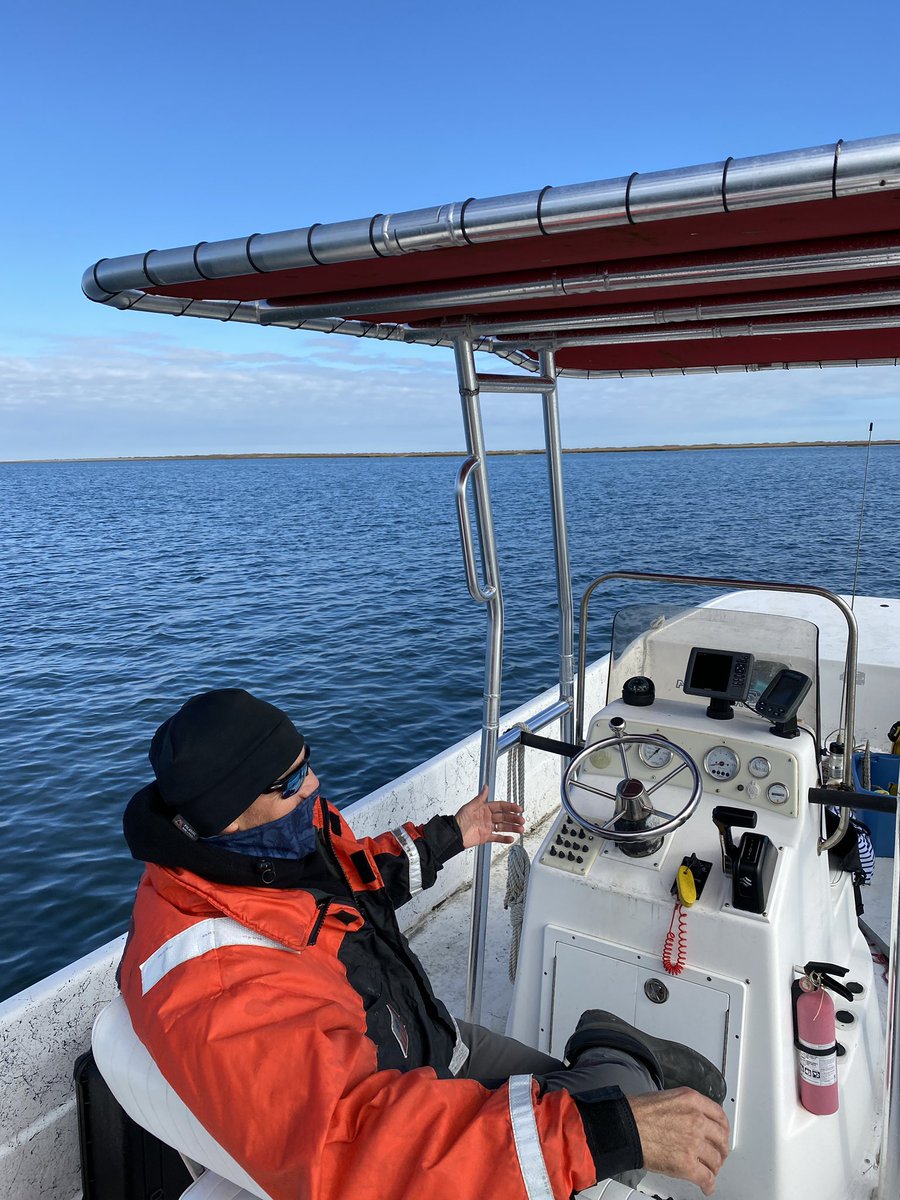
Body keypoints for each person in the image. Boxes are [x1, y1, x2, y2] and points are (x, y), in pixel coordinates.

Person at [119, 688, 730, 1200]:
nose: (316, 786)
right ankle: (616, 1052)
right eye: (292, 780)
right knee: (623, 1114)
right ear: (227, 813)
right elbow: (355, 1153)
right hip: (403, 1108)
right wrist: (592, 1138)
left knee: (622, 1111)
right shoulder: (223, 987)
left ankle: (616, 1062)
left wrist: (449, 837)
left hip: (427, 1040)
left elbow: (354, 877)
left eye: (308, 762)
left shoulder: (257, 851)